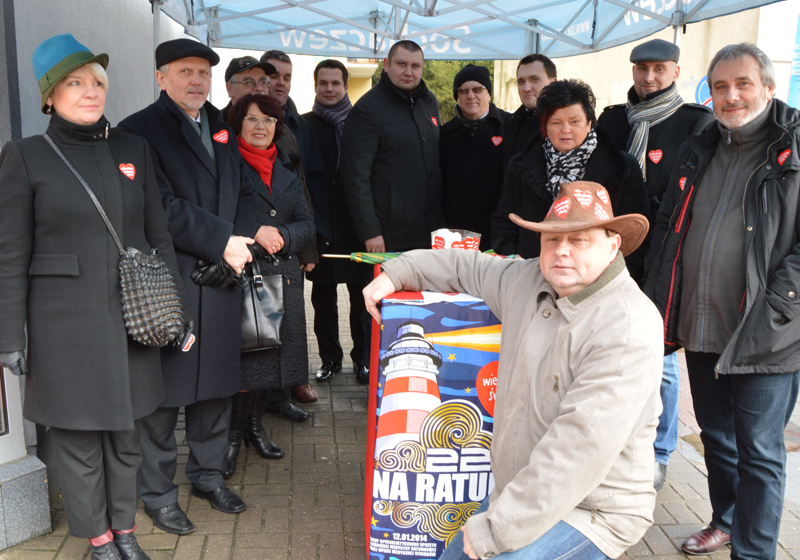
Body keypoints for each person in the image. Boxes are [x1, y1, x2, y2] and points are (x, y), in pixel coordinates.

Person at [364, 181, 662, 560]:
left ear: (612, 245)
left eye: (579, 240)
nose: (561, 251)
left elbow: (575, 454)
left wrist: (495, 529)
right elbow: (466, 265)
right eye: (551, 239)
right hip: (523, 490)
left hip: (593, 510)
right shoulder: (527, 280)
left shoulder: (627, 330)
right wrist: (399, 271)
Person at [0, 34, 190, 560]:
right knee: (79, 439)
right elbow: (10, 254)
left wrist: (176, 310)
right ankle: (99, 539)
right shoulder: (25, 156)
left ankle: (125, 529)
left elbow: (158, 237)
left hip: (133, 318)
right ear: (50, 96)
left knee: (128, 433)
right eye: (75, 83)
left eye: (97, 82)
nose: (90, 92)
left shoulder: (134, 149)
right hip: (64, 325)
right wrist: (9, 334)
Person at [645, 43, 800, 559]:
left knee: (760, 451)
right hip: (701, 322)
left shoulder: (794, 148)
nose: (731, 96)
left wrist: (777, 305)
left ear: (768, 88)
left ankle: (753, 552)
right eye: (720, 87)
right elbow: (669, 224)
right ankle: (726, 520)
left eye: (743, 84)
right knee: (717, 436)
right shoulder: (701, 145)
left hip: (766, 330)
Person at [119, 38, 256, 535]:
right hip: (171, 279)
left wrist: (236, 245)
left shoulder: (219, 123)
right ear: (161, 78)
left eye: (203, 72)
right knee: (162, 396)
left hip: (222, 275)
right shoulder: (137, 130)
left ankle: (207, 476)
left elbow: (242, 190)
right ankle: (157, 494)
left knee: (216, 386)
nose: (197, 81)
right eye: (185, 72)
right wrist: (221, 242)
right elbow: (158, 205)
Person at [598, 39, 715, 491]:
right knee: (610, 349)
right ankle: (617, 443)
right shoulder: (613, 119)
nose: (649, 77)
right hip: (612, 251)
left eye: (659, 69)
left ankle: (659, 452)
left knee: (660, 357)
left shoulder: (696, 122)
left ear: (676, 72)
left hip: (664, 256)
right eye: (642, 68)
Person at [222, 93, 316, 479]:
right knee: (248, 362)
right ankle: (231, 437)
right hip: (246, 277)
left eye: (269, 120)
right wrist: (255, 231)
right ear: (238, 124)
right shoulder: (226, 164)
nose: (261, 127)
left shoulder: (288, 166)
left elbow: (307, 223)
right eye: (252, 119)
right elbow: (216, 216)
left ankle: (255, 429)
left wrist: (284, 236)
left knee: (272, 360)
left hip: (284, 276)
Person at [491, 79, 650, 279]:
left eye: (575, 122)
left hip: (597, 281)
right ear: (544, 126)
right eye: (556, 123)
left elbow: (635, 236)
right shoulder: (522, 166)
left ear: (589, 123)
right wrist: (523, 267)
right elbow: (504, 222)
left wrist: (606, 278)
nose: (566, 130)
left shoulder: (623, 167)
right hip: (532, 278)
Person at [261, 49, 329, 410]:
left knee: (293, 318)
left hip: (292, 238)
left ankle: (293, 381)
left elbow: (307, 185)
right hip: (257, 240)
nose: (280, 82)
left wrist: (308, 246)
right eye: (273, 75)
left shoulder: (298, 124)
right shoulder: (239, 119)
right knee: (262, 321)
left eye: (286, 76)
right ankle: (265, 393)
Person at [339, 40, 443, 254]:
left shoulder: (429, 102)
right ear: (386, 65)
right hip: (389, 236)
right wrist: (370, 231)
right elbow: (354, 177)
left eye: (415, 66)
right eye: (401, 64)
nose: (409, 72)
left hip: (430, 231)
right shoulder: (367, 110)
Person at [302, 59, 370, 385]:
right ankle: (329, 359)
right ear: (315, 86)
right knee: (323, 301)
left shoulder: (361, 123)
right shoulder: (303, 124)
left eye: (335, 83)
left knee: (363, 301)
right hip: (321, 227)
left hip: (357, 227)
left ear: (345, 85)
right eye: (323, 83)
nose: (329, 89)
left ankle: (363, 361)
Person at [440, 64, 508, 251]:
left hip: (497, 231)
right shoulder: (444, 134)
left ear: (489, 94)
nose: (470, 95)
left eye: (477, 89)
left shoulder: (508, 127)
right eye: (463, 91)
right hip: (455, 234)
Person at [503, 54, 557, 171]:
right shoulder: (510, 123)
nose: (526, 88)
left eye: (534, 79)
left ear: (553, 83)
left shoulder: (566, 124)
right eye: (521, 81)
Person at [219, 55, 275, 121]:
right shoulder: (215, 124)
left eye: (263, 82)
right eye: (249, 82)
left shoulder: (276, 123)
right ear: (230, 89)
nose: (259, 88)